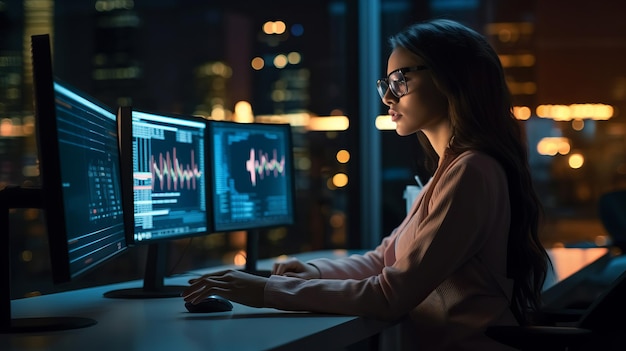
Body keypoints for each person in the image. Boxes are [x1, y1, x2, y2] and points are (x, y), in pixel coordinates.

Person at [182, 18, 551, 350]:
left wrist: (265, 290)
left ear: (450, 78)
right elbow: (384, 259)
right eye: (386, 84)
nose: (389, 97)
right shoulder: (451, 169)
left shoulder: (472, 172)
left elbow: (389, 295)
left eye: (401, 81)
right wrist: (315, 272)